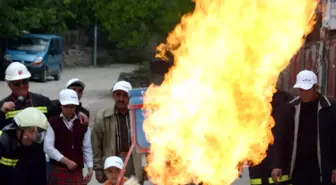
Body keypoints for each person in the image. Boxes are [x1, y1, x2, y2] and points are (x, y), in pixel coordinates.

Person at [0, 62, 88, 185]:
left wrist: (78, 112)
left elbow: (65, 106)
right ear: (9, 85)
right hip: (15, 163)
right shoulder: (3, 107)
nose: (22, 86)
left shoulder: (41, 101)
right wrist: (1, 112)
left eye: (25, 81)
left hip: (38, 160)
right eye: (16, 83)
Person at [271, 70, 336, 185]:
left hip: (322, 171)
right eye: (301, 90)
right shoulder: (290, 109)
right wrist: (277, 165)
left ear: (316, 88)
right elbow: (281, 140)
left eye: (307, 89)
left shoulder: (330, 109)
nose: (304, 93)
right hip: (298, 170)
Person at [91, 80, 143, 183]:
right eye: (118, 95)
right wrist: (98, 168)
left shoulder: (139, 116)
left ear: (130, 97)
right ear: (113, 96)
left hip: (133, 163)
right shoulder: (103, 117)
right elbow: (96, 145)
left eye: (125, 95)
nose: (121, 99)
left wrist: (147, 167)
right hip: (112, 164)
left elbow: (145, 143)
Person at [44, 89, 93, 185]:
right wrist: (66, 161)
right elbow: (48, 147)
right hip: (58, 169)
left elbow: (87, 147)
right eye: (66, 106)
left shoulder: (83, 124)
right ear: (60, 105)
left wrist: (90, 167)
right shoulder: (53, 123)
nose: (70, 109)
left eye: (72, 106)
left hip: (77, 170)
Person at [249, 88, 293, 185]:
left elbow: (281, 139)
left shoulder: (284, 107)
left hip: (278, 173)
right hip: (257, 169)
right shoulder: (253, 108)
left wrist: (276, 164)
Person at [0, 107, 48, 185]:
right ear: (20, 129)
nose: (35, 137)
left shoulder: (30, 148)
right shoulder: (2, 141)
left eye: (38, 132)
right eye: (32, 131)